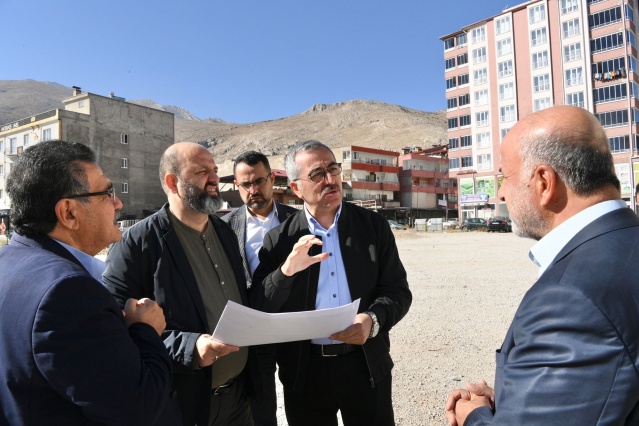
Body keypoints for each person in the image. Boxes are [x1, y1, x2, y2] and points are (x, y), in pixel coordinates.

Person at [445, 105, 639, 425]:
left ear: (544, 182)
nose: (501, 194)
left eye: (505, 177)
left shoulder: (569, 299)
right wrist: (517, 395)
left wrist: (473, 414)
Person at [0, 140, 177, 425]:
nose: (118, 203)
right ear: (69, 213)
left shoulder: (7, 261)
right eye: (107, 193)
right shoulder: (67, 293)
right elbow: (139, 408)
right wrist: (145, 330)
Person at [252, 140, 412, 426]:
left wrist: (372, 320)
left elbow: (397, 291)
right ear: (296, 188)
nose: (330, 179)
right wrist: (285, 272)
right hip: (305, 372)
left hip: (365, 365)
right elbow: (261, 305)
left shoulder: (372, 227)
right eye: (317, 174)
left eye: (333, 169)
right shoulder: (279, 240)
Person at [103, 142, 260, 426]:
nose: (214, 178)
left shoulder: (224, 231)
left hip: (238, 399)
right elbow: (117, 328)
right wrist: (190, 347)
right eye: (201, 172)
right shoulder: (137, 244)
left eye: (215, 170)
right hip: (184, 404)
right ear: (172, 182)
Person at [222, 151, 298, 426]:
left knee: (304, 400)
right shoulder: (224, 227)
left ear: (272, 179)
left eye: (259, 181)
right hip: (253, 328)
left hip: (295, 325)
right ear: (236, 186)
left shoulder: (298, 220)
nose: (253, 189)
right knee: (260, 405)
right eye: (246, 184)